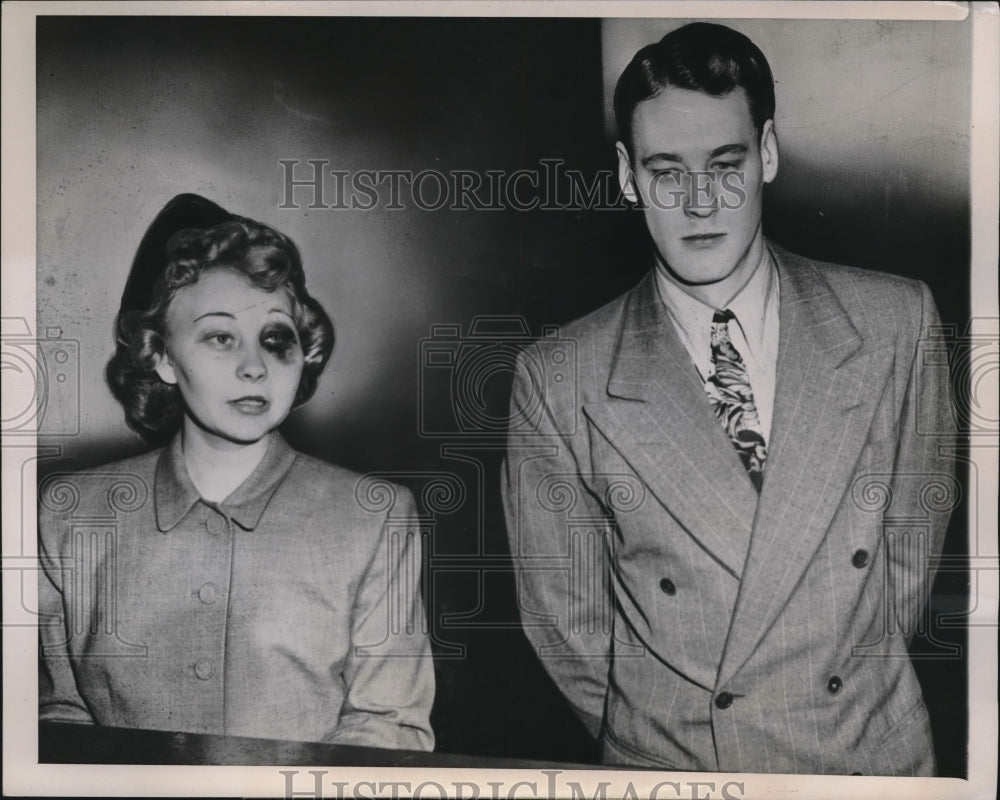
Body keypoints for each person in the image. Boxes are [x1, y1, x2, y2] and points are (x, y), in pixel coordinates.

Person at [502, 22, 956, 775]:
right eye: (666, 171)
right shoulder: (558, 378)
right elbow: (565, 624)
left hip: (866, 759)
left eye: (726, 163)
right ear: (626, 175)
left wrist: (834, 689)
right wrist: (663, 736)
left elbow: (910, 553)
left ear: (768, 155)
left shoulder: (895, 321)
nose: (699, 201)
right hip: (679, 767)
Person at [38, 193, 435, 750]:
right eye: (220, 337)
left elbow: (389, 725)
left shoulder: (372, 516)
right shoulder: (68, 515)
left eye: (277, 340)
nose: (254, 367)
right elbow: (57, 721)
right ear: (162, 357)